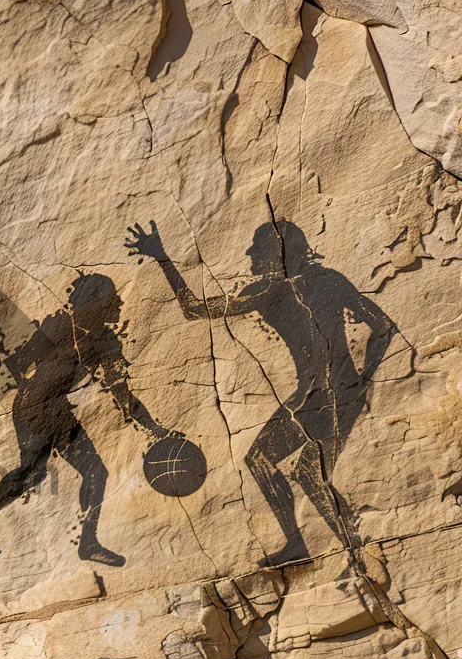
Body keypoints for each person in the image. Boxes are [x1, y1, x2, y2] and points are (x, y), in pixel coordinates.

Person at [125, 219, 394, 566]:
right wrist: (363, 380)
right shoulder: (329, 280)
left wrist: (162, 258)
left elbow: (193, 309)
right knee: (310, 475)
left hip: (317, 397)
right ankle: (352, 552)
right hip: (341, 394)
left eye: (258, 247)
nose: (251, 253)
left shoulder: (267, 291)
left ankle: (317, 547)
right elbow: (383, 327)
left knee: (264, 461)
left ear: (278, 251)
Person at [0, 274, 167, 566]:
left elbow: (19, 361)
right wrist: (154, 429)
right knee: (88, 471)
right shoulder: (81, 333)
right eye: (111, 297)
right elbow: (121, 394)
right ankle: (86, 542)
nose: (119, 301)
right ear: (94, 303)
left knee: (36, 473)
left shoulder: (79, 330)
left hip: (38, 406)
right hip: (43, 409)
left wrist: (32, 389)